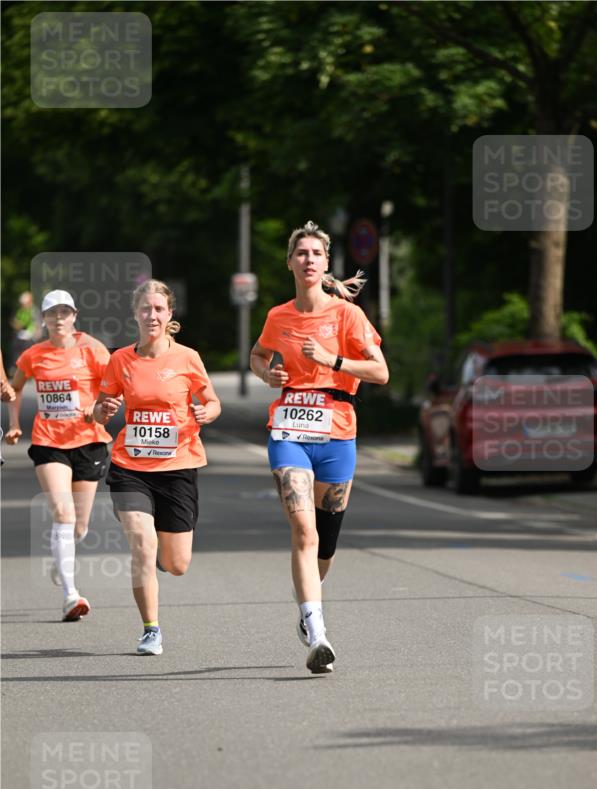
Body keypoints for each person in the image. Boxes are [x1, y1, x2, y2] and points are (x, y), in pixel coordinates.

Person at [249, 220, 389, 675]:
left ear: (326, 264)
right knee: (303, 534)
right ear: (289, 262)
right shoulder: (278, 316)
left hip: (337, 434)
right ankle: (318, 632)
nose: (308, 260)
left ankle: (305, 605)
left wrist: (334, 361)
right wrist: (266, 374)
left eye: (316, 254)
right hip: (288, 430)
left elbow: (381, 372)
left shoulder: (347, 315)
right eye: (301, 253)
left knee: (324, 546)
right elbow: (258, 354)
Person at [93, 279, 221, 656]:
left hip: (178, 465)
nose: (152, 315)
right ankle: (151, 629)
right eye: (145, 309)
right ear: (135, 314)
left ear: (170, 314)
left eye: (159, 309)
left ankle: (160, 562)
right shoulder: (120, 360)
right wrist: (104, 410)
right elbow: (99, 408)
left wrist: (206, 412)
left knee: (176, 563)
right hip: (130, 465)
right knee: (143, 546)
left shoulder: (187, 358)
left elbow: (212, 401)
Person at [5, 290, 112, 620]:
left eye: (65, 312)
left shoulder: (93, 349)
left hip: (88, 441)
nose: (59, 318)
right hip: (48, 441)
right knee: (63, 514)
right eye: (53, 313)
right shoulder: (34, 355)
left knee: (79, 527)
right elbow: (16, 386)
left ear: (75, 315)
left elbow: (112, 388)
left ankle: (59, 561)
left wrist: (96, 409)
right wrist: (12, 423)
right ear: (44, 318)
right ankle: (71, 595)